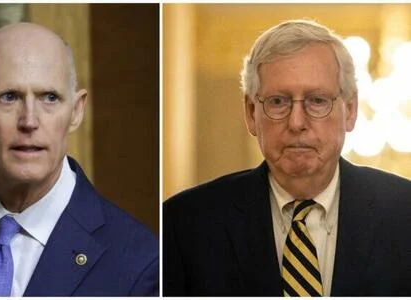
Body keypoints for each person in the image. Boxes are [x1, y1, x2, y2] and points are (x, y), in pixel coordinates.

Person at [163, 19, 411, 296]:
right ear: (251, 113)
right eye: (278, 101)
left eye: (317, 100)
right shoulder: (185, 223)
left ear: (350, 110)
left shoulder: (404, 212)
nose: (296, 122)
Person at [0, 22, 158, 296]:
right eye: (9, 97)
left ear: (76, 111)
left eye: (49, 98)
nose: (29, 121)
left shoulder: (138, 264)